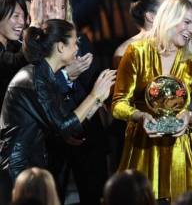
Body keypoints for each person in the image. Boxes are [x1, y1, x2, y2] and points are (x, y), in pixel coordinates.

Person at [112, 0, 192, 201]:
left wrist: (189, 117)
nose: (191, 30)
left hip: (180, 154)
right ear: (170, 17)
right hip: (142, 147)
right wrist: (140, 116)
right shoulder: (136, 52)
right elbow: (118, 104)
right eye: (187, 22)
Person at [0, 19, 116, 182]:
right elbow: (63, 125)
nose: (78, 49)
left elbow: (66, 123)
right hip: (18, 170)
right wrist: (94, 96)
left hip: (31, 165)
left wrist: (98, 100)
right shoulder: (35, 79)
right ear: (61, 47)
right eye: (75, 43)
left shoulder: (44, 75)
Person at [31, 0, 110, 204]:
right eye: (49, 7)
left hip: (84, 127)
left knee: (93, 190)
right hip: (49, 134)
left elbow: (93, 82)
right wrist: (67, 75)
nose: (56, 13)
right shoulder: (28, 45)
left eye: (60, 7)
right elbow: (35, 92)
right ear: (36, 8)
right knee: (48, 193)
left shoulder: (80, 42)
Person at [109, 0, 165, 172]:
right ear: (150, 16)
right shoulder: (125, 51)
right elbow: (120, 101)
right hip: (136, 134)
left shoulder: (176, 47)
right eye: (167, 11)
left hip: (169, 132)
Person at [0, 0, 29, 108]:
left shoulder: (13, 46)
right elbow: (14, 62)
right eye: (16, 16)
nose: (22, 22)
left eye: (23, 16)